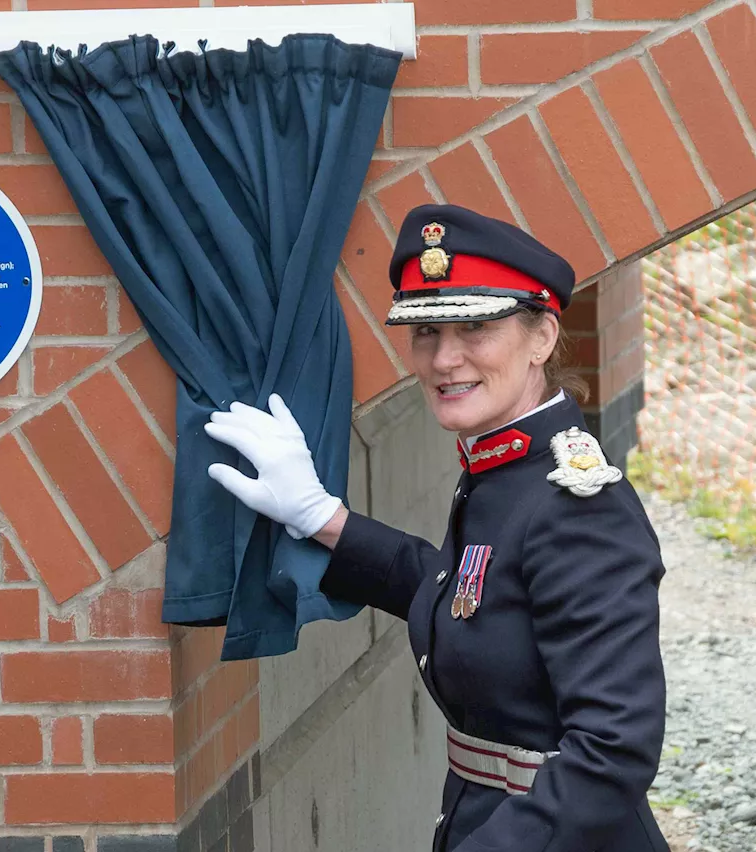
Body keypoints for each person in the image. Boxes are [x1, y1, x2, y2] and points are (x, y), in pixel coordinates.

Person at [204, 204, 670, 852]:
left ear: (541, 337)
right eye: (426, 332)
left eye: (475, 327)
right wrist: (321, 516)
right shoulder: (506, 468)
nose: (445, 358)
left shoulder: (574, 506)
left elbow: (613, 752)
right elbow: (478, 597)